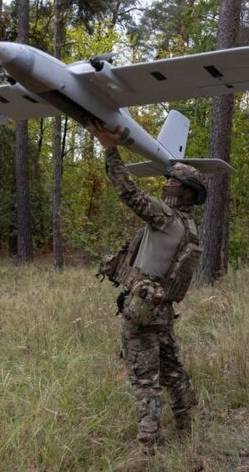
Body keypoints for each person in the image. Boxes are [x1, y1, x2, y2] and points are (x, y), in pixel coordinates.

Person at [88, 120, 204, 449]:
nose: (166, 184)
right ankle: (187, 426)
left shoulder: (166, 218)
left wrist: (110, 149)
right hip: (162, 309)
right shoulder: (189, 227)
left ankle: (149, 444)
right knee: (172, 370)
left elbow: (129, 193)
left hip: (142, 310)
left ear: (184, 190)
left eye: (172, 181)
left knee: (144, 378)